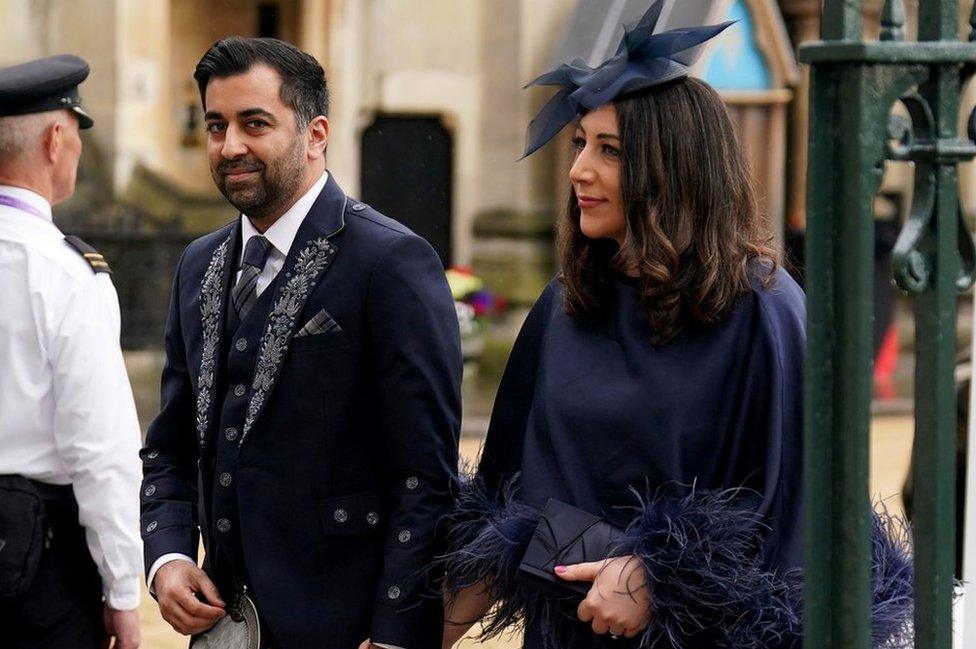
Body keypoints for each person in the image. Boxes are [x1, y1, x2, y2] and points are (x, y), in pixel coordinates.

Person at [441, 4, 912, 648]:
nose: (579, 169)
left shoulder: (765, 312)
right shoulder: (564, 305)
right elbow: (501, 502)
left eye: (610, 150)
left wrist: (660, 578)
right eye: (581, 143)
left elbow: (799, 516)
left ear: (673, 170)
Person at [141, 37, 461, 649]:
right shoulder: (197, 264)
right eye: (216, 125)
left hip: (348, 628)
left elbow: (425, 478)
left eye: (254, 123)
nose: (230, 146)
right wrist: (168, 559)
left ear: (315, 135)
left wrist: (397, 634)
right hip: (224, 629)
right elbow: (171, 449)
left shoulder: (391, 261)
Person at [0, 55, 142, 649]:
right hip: (34, 562)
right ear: (57, 138)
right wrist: (124, 590)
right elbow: (100, 449)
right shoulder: (64, 272)